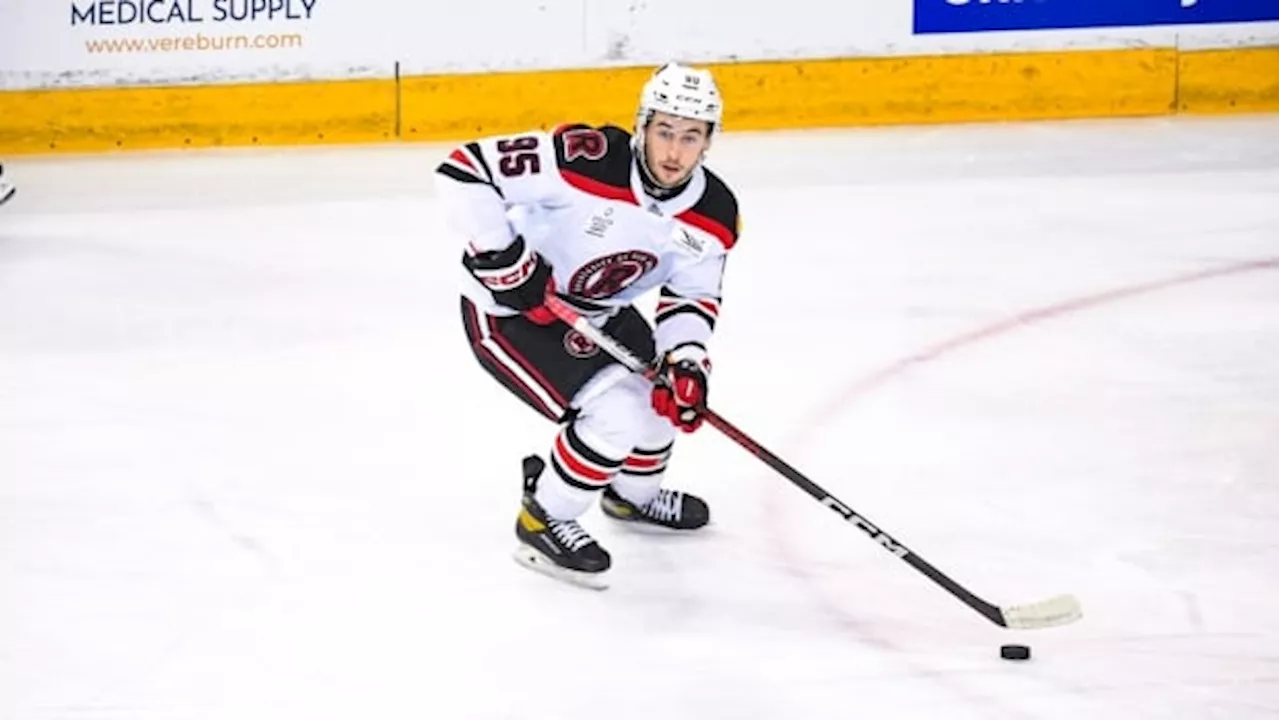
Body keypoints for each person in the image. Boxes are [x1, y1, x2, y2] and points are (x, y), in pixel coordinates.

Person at [435, 62, 741, 589]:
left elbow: (691, 295)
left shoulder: (713, 212)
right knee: (616, 414)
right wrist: (505, 260)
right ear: (641, 124)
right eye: (664, 131)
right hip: (508, 313)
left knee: (667, 396)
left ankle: (632, 497)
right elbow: (464, 170)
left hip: (599, 311)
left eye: (691, 137)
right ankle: (545, 516)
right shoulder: (586, 160)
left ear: (709, 141)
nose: (674, 152)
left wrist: (686, 359)